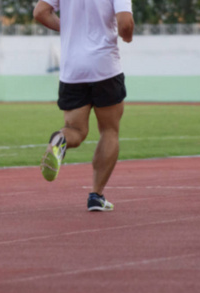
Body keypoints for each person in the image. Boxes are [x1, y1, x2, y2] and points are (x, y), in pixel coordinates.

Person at [34, 0, 134, 212]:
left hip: (73, 68)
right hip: (105, 67)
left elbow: (41, 12)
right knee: (109, 131)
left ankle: (60, 140)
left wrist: (70, 28)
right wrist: (128, 36)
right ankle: (96, 195)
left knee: (75, 130)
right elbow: (125, 23)